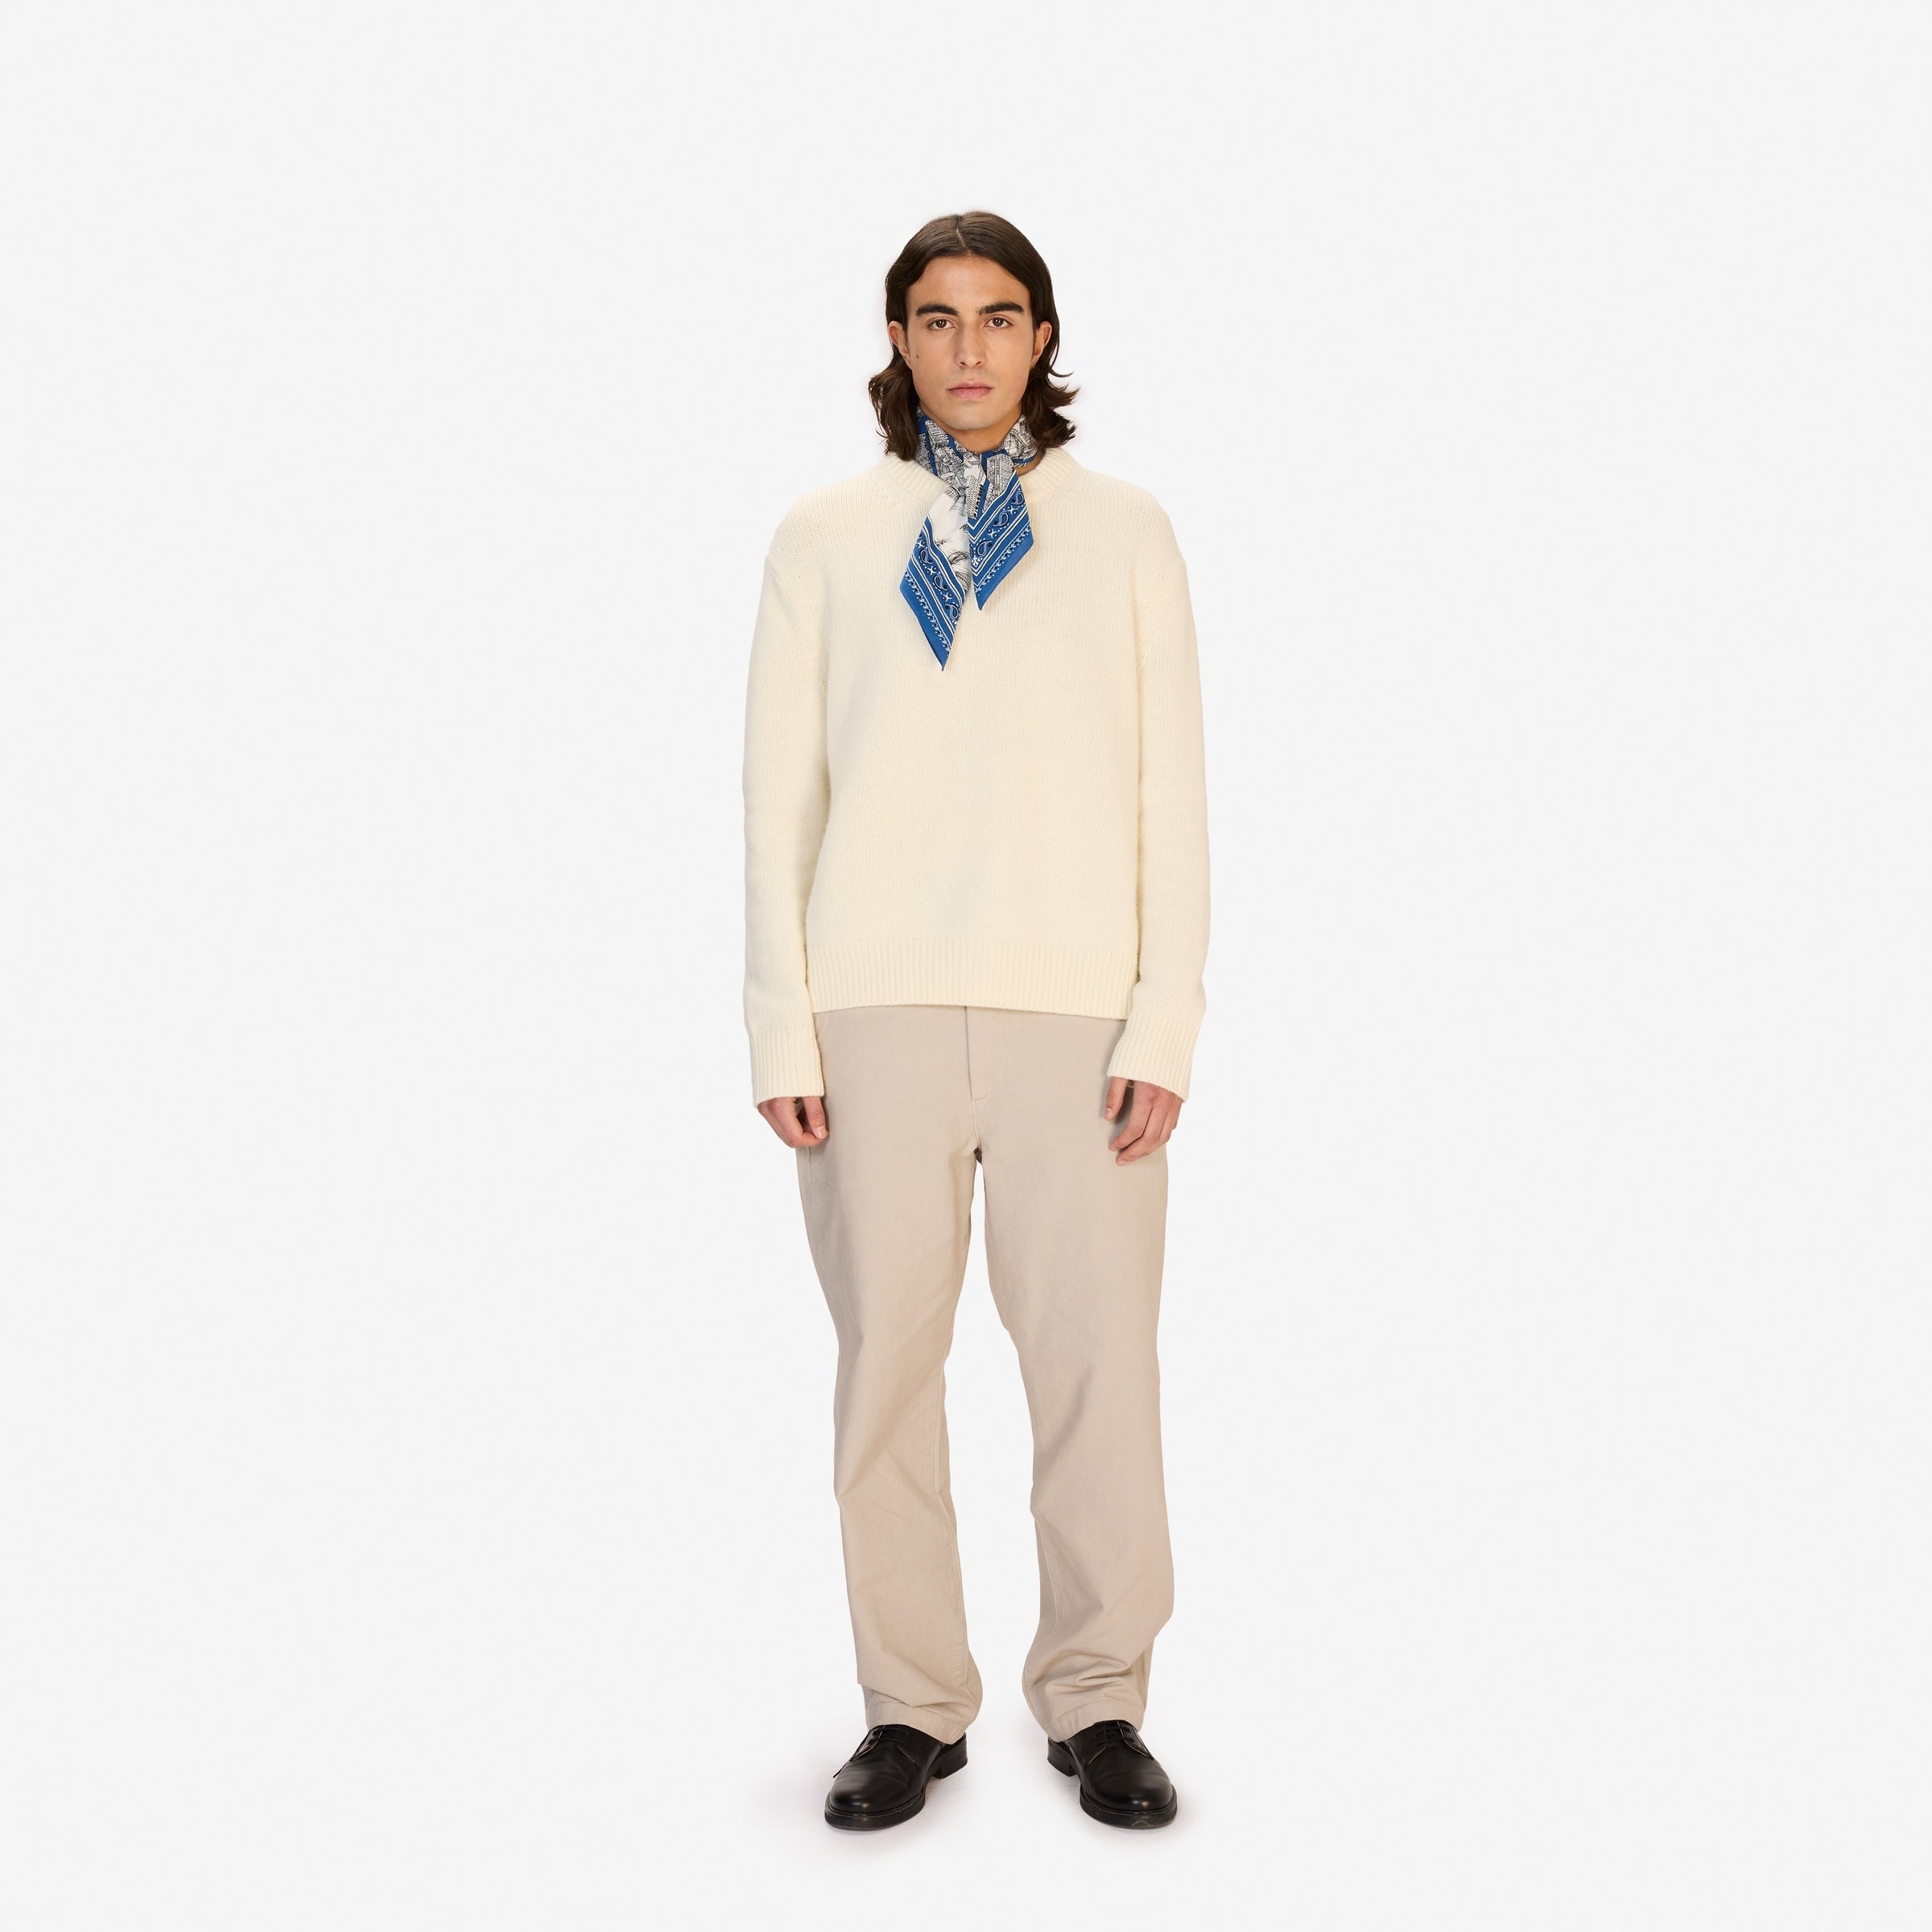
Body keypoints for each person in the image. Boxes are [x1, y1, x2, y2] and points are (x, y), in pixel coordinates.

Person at [741, 210, 1211, 1832]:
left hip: (1076, 1010)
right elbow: (779, 800)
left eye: (998, 316)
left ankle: (1099, 1694)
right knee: (888, 1365)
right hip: (870, 1005)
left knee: (1098, 1368)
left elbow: (1171, 794)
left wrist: (1164, 1019)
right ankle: (909, 1706)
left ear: (1041, 337)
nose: (967, 348)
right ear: (897, 339)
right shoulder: (823, 535)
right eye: (935, 318)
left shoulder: (1127, 533)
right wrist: (782, 1024)